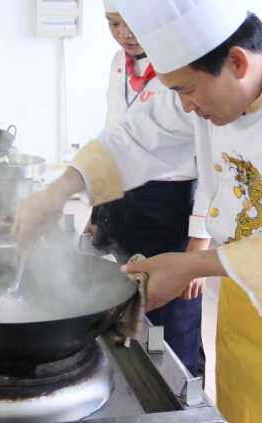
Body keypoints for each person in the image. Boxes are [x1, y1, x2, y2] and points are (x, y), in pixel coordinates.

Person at [11, 0, 262, 421]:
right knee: (238, 409)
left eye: (187, 91)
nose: (186, 108)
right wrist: (59, 191)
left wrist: (191, 265)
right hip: (245, 288)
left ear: (238, 62)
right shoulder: (201, 77)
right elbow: (136, 136)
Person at [82, 0, 205, 379]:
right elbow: (111, 136)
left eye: (132, 22)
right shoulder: (118, 63)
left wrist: (198, 249)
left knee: (169, 315)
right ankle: (122, 384)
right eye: (112, 23)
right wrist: (97, 211)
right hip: (120, 200)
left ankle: (180, 396)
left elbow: (212, 163)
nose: (124, 34)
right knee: (113, 300)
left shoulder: (189, 65)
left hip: (168, 208)